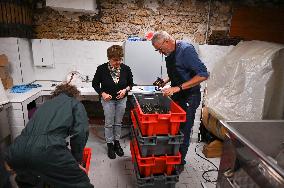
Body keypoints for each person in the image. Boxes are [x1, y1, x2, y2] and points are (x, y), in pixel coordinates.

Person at [4, 83, 93, 188]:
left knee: (30, 181)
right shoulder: (75, 103)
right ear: (74, 95)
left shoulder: (45, 105)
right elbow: (81, 132)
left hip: (15, 150)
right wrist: (76, 160)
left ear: (56, 94)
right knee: (81, 183)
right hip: (47, 149)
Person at [151, 31, 209, 173]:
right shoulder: (169, 53)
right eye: (157, 50)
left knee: (184, 130)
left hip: (189, 96)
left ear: (167, 41)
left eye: (160, 49)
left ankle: (179, 161)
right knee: (173, 127)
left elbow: (203, 74)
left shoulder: (186, 50)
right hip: (178, 94)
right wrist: (165, 81)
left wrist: (178, 87)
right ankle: (170, 155)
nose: (160, 52)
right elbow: (177, 71)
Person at [92, 45, 133, 159]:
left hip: (121, 100)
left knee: (118, 122)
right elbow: (95, 84)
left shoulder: (126, 68)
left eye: (120, 59)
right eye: (115, 60)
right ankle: (110, 144)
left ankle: (116, 142)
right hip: (108, 101)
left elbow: (131, 84)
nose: (118, 62)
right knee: (109, 123)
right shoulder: (101, 69)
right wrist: (102, 94)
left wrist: (125, 90)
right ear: (109, 58)